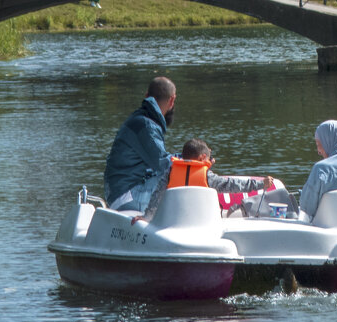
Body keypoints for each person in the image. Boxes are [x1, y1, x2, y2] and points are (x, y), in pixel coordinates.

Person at [144, 138, 275, 218]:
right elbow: (233, 185)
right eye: (208, 157)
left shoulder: (171, 171)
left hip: (175, 219)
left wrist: (147, 216)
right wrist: (261, 184)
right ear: (202, 158)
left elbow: (157, 194)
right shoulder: (207, 176)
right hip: (203, 221)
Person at [103, 76, 176, 211]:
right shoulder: (147, 125)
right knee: (180, 175)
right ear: (172, 100)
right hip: (126, 195)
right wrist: (195, 161)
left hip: (118, 192)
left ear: (147, 96)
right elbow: (163, 164)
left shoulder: (140, 120)